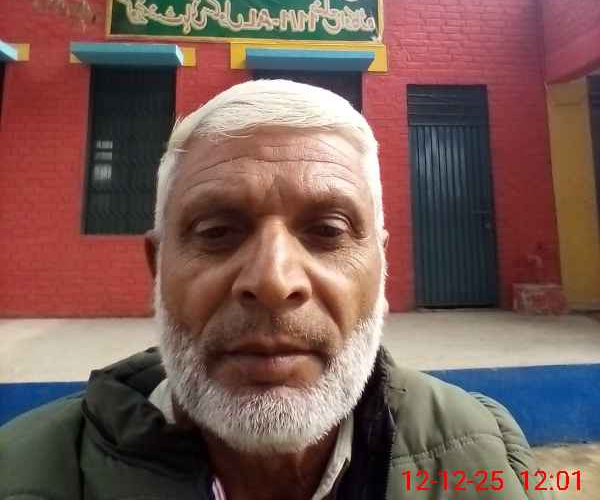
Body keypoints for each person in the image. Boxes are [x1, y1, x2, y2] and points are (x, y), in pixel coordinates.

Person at [1, 79, 547, 500]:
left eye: (328, 231)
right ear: (158, 269)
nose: (272, 281)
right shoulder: (21, 473)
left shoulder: (482, 454)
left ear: (380, 269)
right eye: (217, 232)